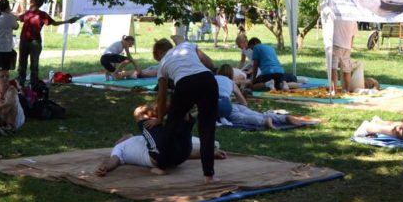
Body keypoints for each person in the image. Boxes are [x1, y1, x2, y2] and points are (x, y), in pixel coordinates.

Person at [152, 38, 219, 182]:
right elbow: (209, 63)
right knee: (207, 128)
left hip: (185, 84)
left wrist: (159, 117)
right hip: (208, 80)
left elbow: (161, 98)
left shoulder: (162, 64)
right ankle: (209, 175)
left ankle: (161, 166)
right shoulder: (187, 45)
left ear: (160, 53)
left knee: (171, 125)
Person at [94, 105, 227, 177]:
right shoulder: (118, 149)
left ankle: (183, 111)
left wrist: (209, 153)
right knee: (140, 114)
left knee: (177, 135)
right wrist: (105, 167)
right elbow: (113, 161)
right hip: (160, 157)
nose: (123, 137)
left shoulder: (140, 139)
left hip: (180, 155)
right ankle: (181, 109)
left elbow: (186, 152)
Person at [215, 65, 318, 129]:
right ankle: (283, 118)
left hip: (220, 106)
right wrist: (238, 104)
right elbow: (244, 103)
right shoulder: (230, 82)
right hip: (230, 105)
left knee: (242, 118)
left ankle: (264, 122)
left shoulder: (212, 79)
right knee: (256, 113)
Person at [17, 0, 78, 88]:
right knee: (23, 64)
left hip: (34, 42)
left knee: (33, 64)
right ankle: (21, 83)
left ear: (35, 3)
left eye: (31, 0)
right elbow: (18, 18)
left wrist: (67, 21)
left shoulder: (42, 15)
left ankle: (33, 84)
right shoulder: (28, 13)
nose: (30, 2)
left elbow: (54, 23)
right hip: (25, 41)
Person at [329, 19, 358, 96]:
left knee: (333, 67)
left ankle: (334, 90)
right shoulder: (353, 19)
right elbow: (353, 36)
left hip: (336, 43)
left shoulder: (335, 16)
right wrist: (350, 46)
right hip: (347, 46)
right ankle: (347, 89)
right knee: (346, 69)